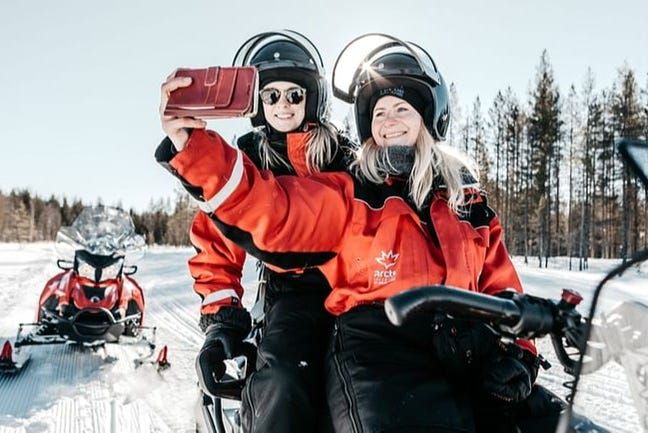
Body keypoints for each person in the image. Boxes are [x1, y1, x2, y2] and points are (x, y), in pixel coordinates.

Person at [157, 34, 557, 433]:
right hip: (355, 328)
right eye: (380, 112)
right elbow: (271, 212)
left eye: (402, 108)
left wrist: (519, 350)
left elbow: (500, 284)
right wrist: (192, 146)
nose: (390, 121)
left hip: (456, 340)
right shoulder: (351, 188)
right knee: (284, 381)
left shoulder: (463, 199)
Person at [159, 31, 352, 433]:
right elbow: (216, 242)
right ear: (257, 103)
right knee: (283, 380)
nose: (283, 105)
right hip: (293, 292)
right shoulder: (245, 158)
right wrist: (221, 319)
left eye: (294, 95)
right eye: (271, 95)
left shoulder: (343, 154)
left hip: (354, 290)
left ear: (312, 98)